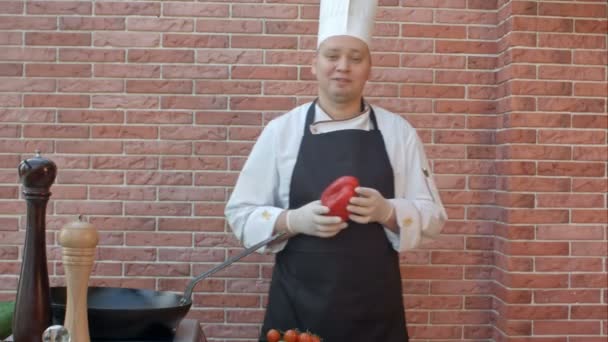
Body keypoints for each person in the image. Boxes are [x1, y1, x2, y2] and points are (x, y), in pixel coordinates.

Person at [225, 0, 447, 340]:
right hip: (297, 314)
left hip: (376, 314)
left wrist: (389, 211)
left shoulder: (398, 132)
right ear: (313, 65)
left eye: (355, 58)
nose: (343, 66)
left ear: (369, 68)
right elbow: (240, 214)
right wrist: (291, 220)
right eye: (332, 56)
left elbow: (434, 216)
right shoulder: (281, 131)